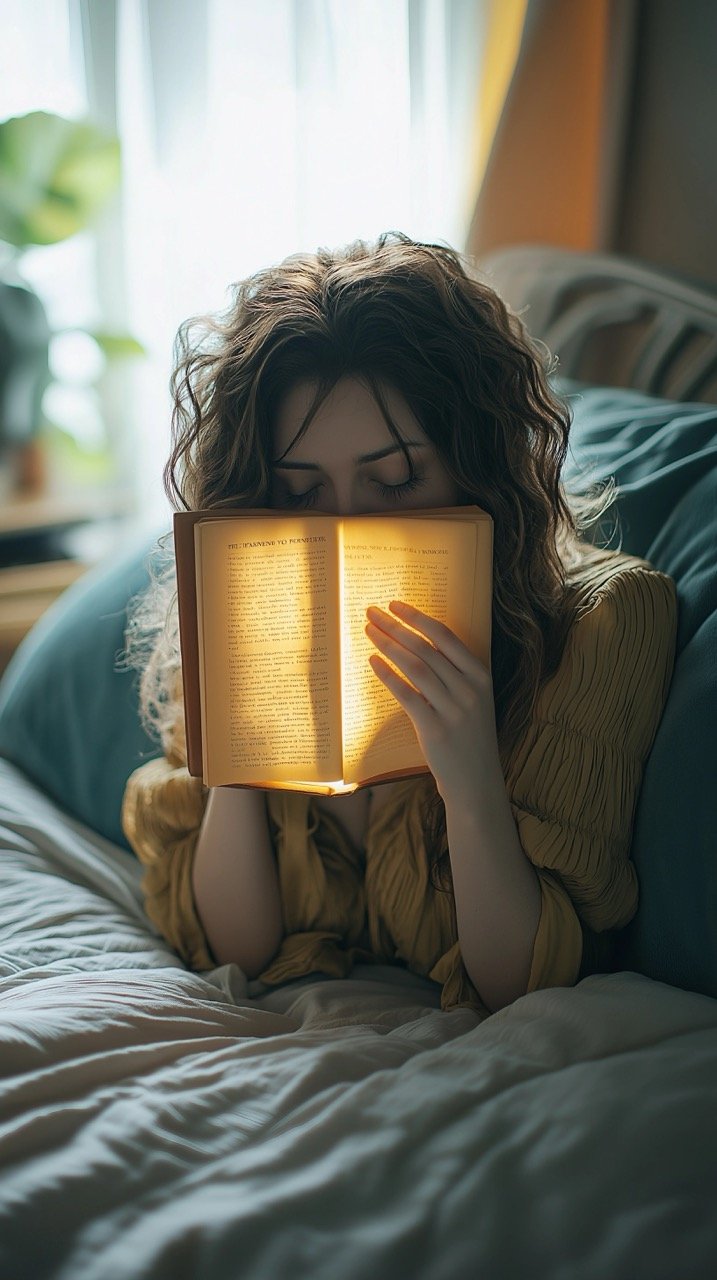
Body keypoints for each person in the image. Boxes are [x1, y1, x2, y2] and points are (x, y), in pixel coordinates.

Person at [119, 231, 677, 1020]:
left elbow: (519, 984)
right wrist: (237, 752)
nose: (347, 528)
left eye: (395, 480)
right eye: (302, 491)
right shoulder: (246, 587)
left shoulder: (601, 622)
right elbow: (233, 952)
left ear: (473, 465)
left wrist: (470, 781)